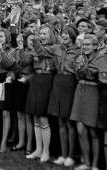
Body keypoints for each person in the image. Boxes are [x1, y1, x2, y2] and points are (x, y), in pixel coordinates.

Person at [48, 26, 79, 167]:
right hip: (58, 82)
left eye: (67, 33)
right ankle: (63, 154)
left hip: (70, 83)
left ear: (72, 35)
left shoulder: (78, 50)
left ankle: (71, 156)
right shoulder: (57, 48)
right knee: (60, 121)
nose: (64, 35)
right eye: (62, 33)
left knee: (69, 123)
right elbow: (41, 51)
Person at [25, 25, 56, 163]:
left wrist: (35, 40)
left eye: (45, 34)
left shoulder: (54, 47)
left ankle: (46, 151)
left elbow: (42, 53)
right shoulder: (36, 47)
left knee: (43, 118)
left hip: (46, 80)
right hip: (36, 80)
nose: (42, 36)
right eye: (40, 33)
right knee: (36, 117)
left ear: (51, 35)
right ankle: (38, 149)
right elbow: (26, 61)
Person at [70, 34, 100, 170]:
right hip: (79, 90)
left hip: (93, 92)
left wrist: (83, 67)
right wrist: (80, 67)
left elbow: (91, 74)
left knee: (93, 131)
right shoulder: (80, 57)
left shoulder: (100, 58)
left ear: (95, 46)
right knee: (80, 129)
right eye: (84, 44)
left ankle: (94, 165)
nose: (85, 47)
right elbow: (78, 75)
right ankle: (86, 163)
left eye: (88, 45)